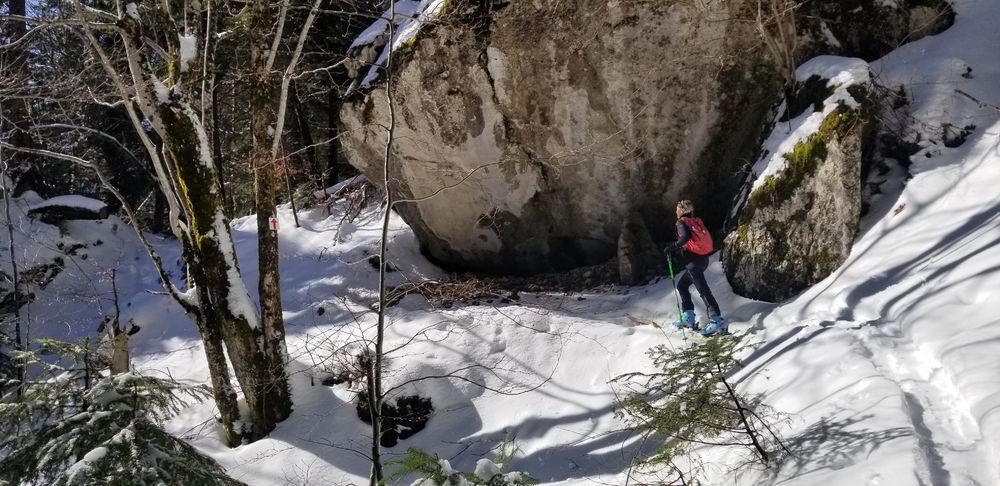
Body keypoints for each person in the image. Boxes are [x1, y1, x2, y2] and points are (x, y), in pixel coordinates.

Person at [665, 200, 727, 336]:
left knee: (704, 292)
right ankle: (688, 318)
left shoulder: (681, 222)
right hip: (702, 260)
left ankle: (717, 322)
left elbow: (685, 237)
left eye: (677, 209)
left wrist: (672, 247)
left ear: (682, 210)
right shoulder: (694, 221)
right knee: (682, 286)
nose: (676, 211)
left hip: (694, 262)